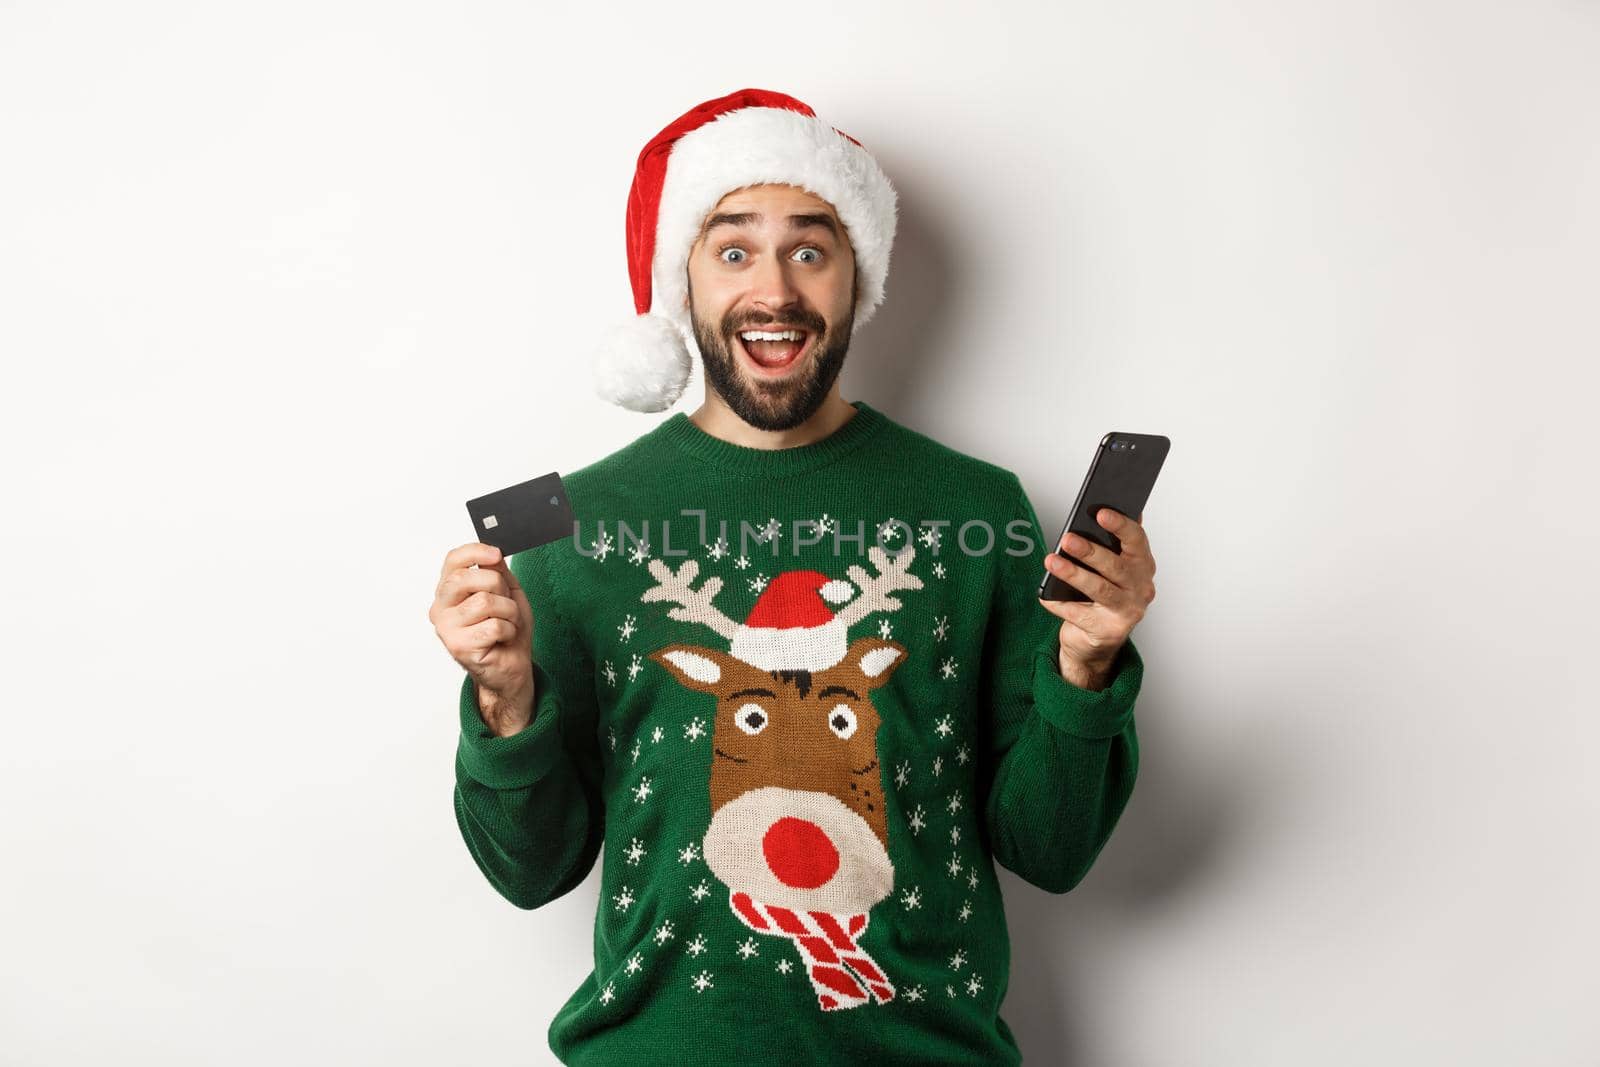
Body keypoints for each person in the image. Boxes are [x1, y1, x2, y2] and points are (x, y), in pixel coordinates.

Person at [428, 87, 1158, 1066]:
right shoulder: (577, 526)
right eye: (732, 250)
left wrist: (1087, 666)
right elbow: (533, 869)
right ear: (679, 283)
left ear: (858, 278)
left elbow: (1050, 849)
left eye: (809, 249)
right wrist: (503, 696)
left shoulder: (973, 509)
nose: (772, 289)